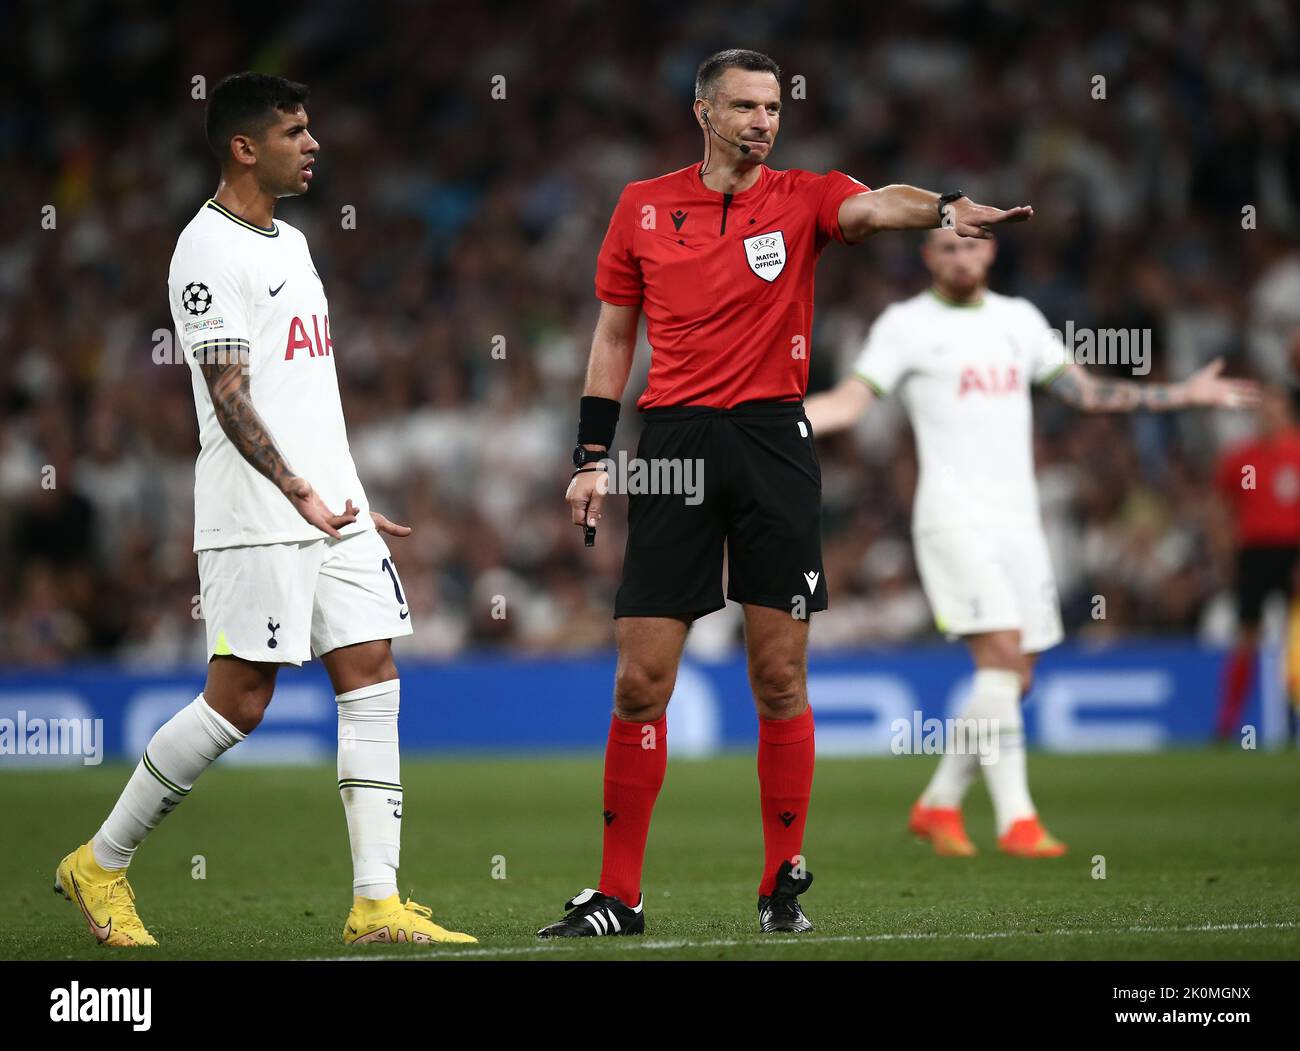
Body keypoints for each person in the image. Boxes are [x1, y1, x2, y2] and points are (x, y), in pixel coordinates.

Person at [543, 48, 1034, 937]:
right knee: (640, 682)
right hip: (674, 447)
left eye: (772, 107)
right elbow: (615, 336)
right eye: (744, 106)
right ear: (703, 112)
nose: (763, 121)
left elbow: (875, 205)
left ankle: (781, 886)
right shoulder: (641, 206)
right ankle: (619, 894)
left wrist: (945, 207)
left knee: (778, 676)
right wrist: (590, 455)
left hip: (774, 440)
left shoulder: (806, 196)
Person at [53, 72, 474, 947]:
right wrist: (295, 488)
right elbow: (230, 393)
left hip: (331, 506)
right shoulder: (207, 249)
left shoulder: (295, 241)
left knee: (372, 672)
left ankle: (376, 902)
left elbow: (300, 388)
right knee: (240, 700)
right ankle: (99, 862)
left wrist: (345, 492)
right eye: (294, 131)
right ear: (244, 147)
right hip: (259, 509)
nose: (313, 144)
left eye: (310, 127)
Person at [805, 226, 1257, 857]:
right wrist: (771, 423)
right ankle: (1018, 820)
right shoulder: (904, 325)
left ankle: (938, 803)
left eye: (971, 245)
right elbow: (850, 403)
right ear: (929, 256)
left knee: (1016, 676)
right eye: (947, 246)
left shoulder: (1018, 319)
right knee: (1001, 656)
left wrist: (1182, 394)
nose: (961, 256)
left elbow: (1086, 393)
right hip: (951, 517)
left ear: (990, 251)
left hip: (1020, 520)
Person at [1212, 384, 1300, 741]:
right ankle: (1228, 722)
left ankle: (1292, 716)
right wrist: (1224, 551)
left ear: (1288, 411)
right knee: (1247, 634)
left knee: (1296, 634)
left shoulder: (1296, 452)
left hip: (1294, 551)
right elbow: (1221, 507)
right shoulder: (1241, 458)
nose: (1267, 414)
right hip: (1255, 553)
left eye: (1274, 407)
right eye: (1263, 407)